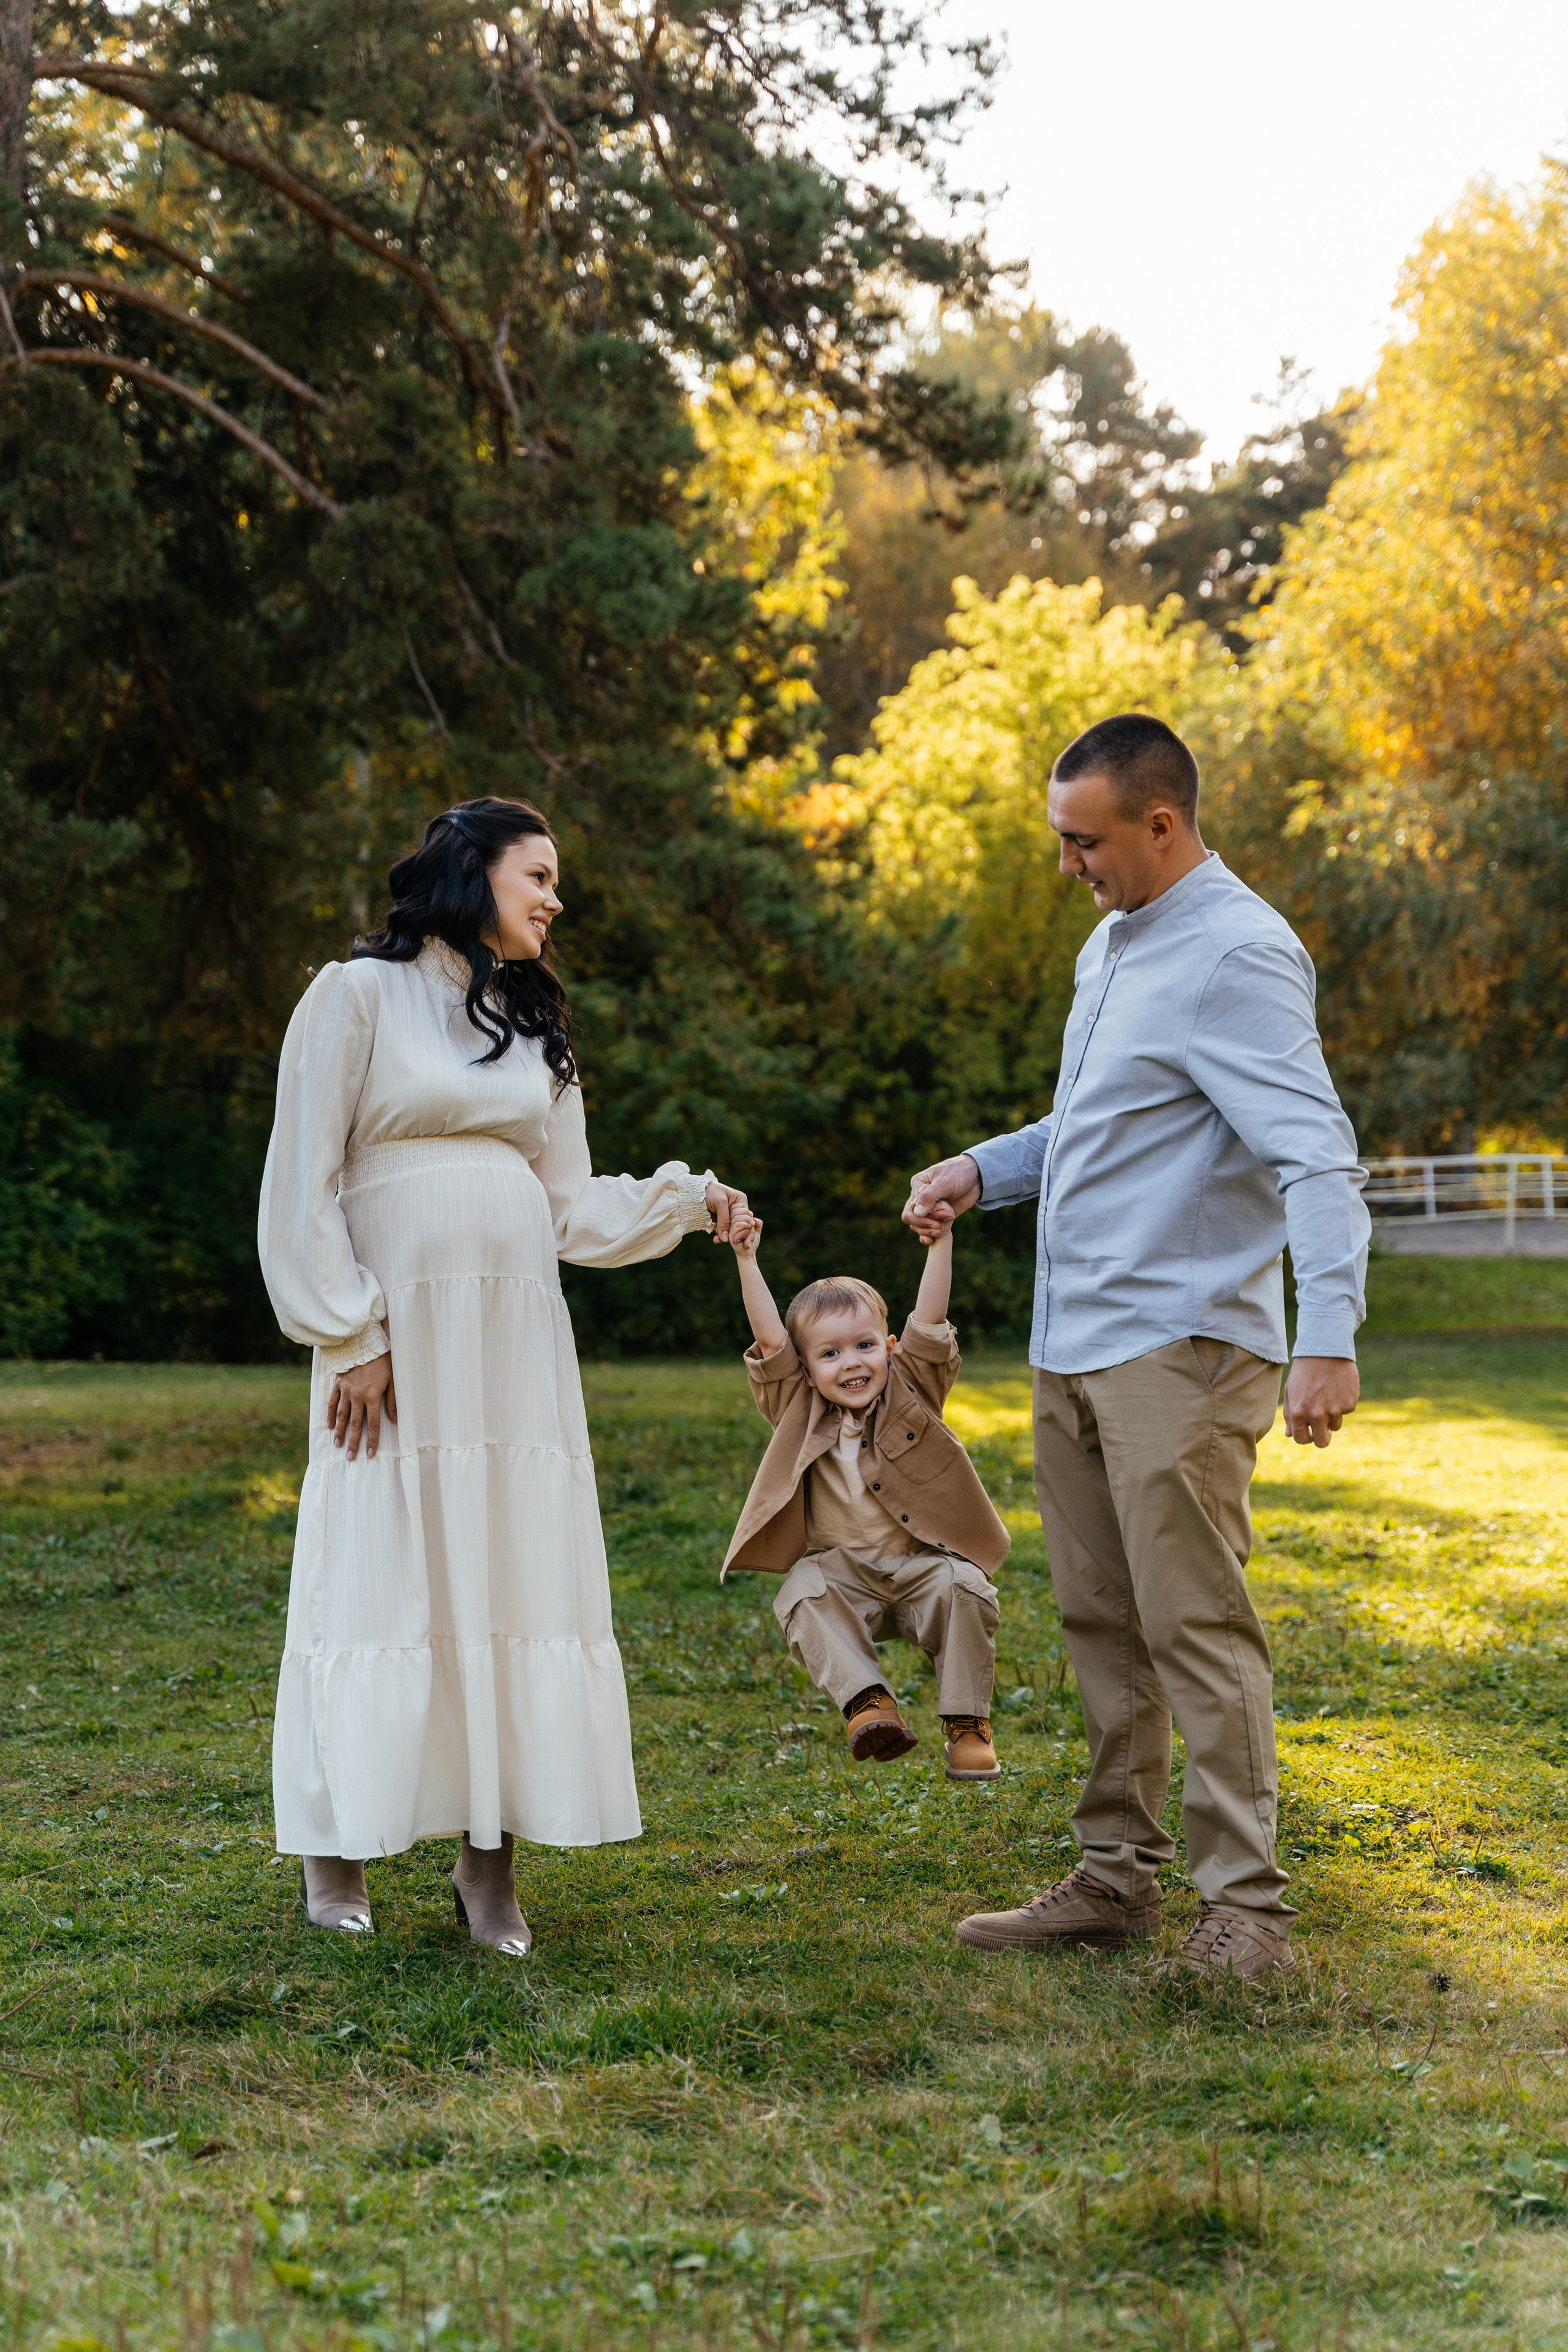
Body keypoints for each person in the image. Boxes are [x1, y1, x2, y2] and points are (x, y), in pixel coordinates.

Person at [905, 714, 1369, 1980]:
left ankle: (1249, 1919)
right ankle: (1114, 1877)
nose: (1067, 866)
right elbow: (1097, 1126)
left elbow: (1314, 1153)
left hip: (1180, 1346)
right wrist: (980, 1170)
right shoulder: (1112, 947)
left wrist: (1323, 1335)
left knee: (1193, 1627)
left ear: (1159, 825)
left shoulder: (1238, 953)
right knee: (1103, 1624)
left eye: (1082, 841)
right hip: (1078, 1342)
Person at [257, 797, 747, 1954]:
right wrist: (352, 1335)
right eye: (538, 874)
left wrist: (687, 1201)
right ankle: (340, 1850)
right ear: (472, 874)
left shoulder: (534, 1025)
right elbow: (301, 1184)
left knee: (508, 1578)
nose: (554, 897)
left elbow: (568, 1204)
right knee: (376, 1569)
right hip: (396, 1341)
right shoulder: (355, 996)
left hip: (514, 1349)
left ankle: (490, 1869)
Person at [719, 1206, 1010, 1779]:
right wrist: (746, 1259)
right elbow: (768, 1339)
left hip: (921, 1566)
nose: (851, 1364)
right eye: (828, 1354)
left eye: (864, 1346)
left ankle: (966, 1726)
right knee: (801, 1588)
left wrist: (940, 1243)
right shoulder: (794, 1407)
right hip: (844, 1574)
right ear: (804, 1369)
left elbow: (932, 1318)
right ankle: (867, 1705)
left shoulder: (913, 1389)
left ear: (891, 1347)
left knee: (968, 1585)